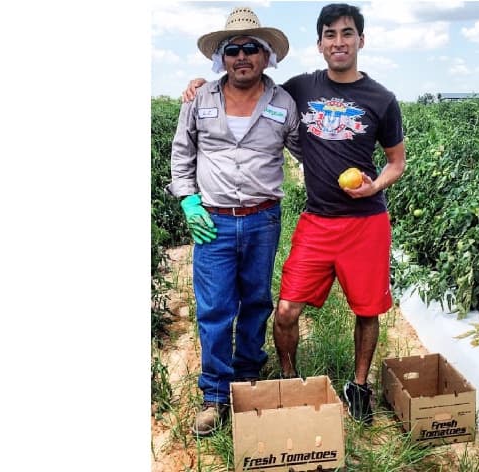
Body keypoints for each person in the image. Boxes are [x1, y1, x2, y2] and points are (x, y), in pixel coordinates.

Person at [183, 3, 406, 425]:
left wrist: (375, 186)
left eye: (346, 34)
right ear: (320, 44)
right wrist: (198, 86)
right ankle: (280, 381)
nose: (338, 42)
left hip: (361, 222)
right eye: (330, 35)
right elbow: (242, 94)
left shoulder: (380, 98)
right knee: (280, 309)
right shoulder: (299, 88)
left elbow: (396, 160)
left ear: (361, 39)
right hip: (311, 220)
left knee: (365, 309)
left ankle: (357, 386)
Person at [167, 6, 301, 437]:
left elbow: (307, 152)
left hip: (263, 220)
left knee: (256, 302)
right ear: (222, 57)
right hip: (213, 221)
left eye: (251, 49)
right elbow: (182, 154)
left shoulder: (283, 103)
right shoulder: (199, 99)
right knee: (214, 309)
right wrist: (188, 200)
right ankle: (215, 394)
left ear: (266, 56)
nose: (242, 56)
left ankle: (246, 379)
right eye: (233, 49)